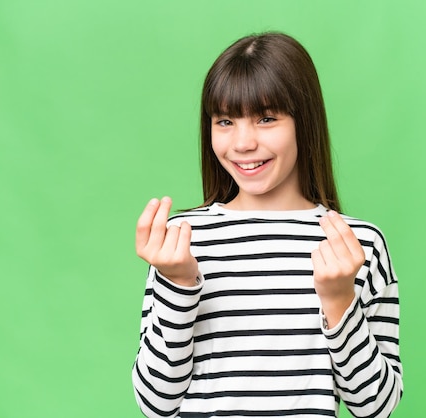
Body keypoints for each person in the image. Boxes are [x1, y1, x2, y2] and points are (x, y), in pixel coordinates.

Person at [132, 32, 403, 418]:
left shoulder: (358, 245)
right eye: (225, 120)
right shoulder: (182, 241)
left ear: (303, 123)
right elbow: (156, 402)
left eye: (266, 118)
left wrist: (340, 300)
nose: (242, 143)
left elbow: (375, 407)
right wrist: (178, 283)